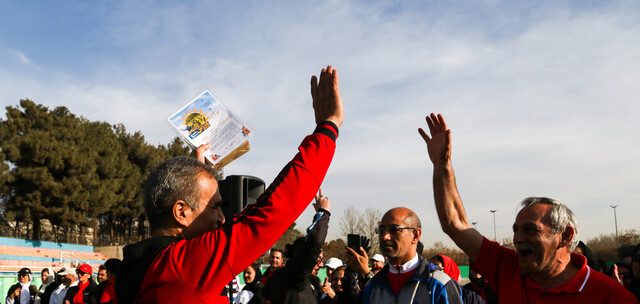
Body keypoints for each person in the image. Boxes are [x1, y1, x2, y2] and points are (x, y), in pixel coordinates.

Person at [115, 65, 343, 304]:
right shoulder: (180, 267)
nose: (223, 218)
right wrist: (328, 128)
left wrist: (199, 177)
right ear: (181, 211)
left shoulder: (137, 267)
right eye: (213, 207)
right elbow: (271, 212)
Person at [419, 112, 639, 303]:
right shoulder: (508, 269)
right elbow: (455, 224)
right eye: (516, 229)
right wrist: (442, 166)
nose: (518, 238)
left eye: (531, 229)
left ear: (565, 236)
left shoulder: (609, 296)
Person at [360, 207, 463, 303]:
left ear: (416, 235)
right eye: (381, 230)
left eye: (394, 229)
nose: (385, 237)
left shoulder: (440, 284)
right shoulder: (372, 286)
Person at [263, 190, 332, 303]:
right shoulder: (294, 276)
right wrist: (324, 212)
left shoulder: (303, 280)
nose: (321, 264)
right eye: (317, 258)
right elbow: (315, 242)